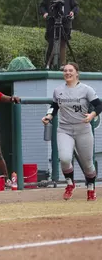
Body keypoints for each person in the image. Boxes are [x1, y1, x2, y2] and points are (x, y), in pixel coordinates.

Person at [42, 62, 101, 201]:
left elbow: (99, 105)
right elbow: (54, 106)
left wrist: (92, 115)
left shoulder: (86, 89)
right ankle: (70, 184)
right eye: (65, 71)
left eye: (70, 70)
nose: (67, 73)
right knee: (65, 158)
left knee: (87, 163)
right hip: (64, 129)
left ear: (77, 73)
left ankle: (91, 188)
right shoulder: (58, 90)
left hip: (83, 129)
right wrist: (48, 116)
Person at [39, 0, 79, 67]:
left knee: (63, 43)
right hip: (52, 21)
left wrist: (72, 12)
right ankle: (48, 64)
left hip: (65, 22)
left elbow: (76, 6)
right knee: (52, 42)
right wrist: (45, 13)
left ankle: (62, 65)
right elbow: (42, 6)